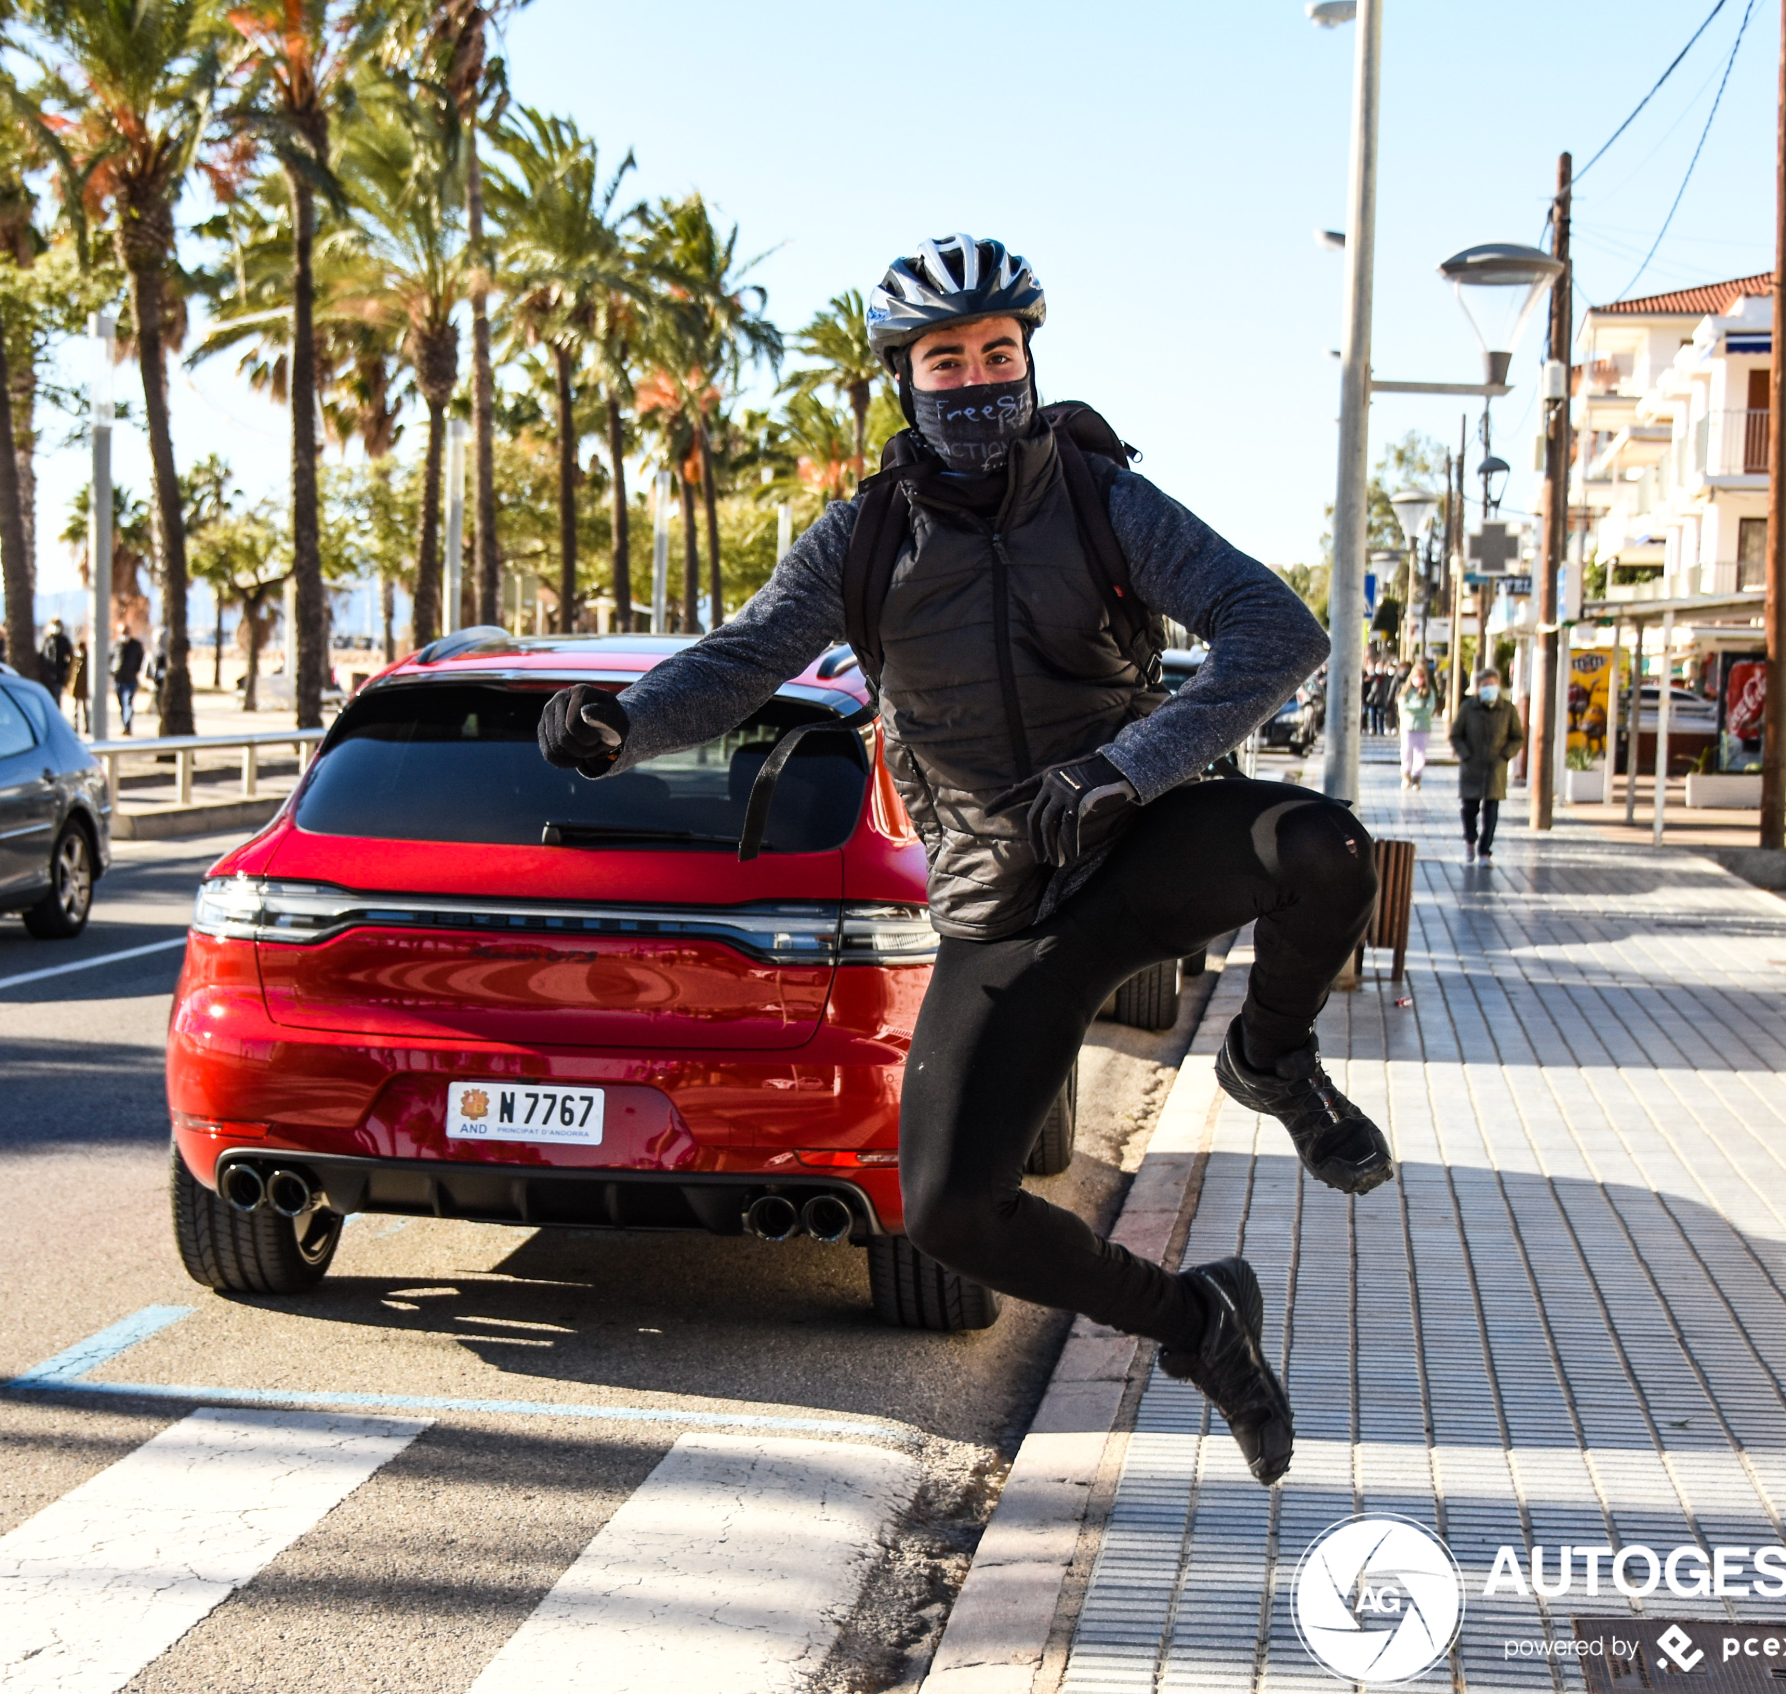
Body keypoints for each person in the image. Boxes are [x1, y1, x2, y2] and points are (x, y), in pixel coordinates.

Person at [538, 235, 1392, 1487]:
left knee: (1322, 846)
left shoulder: (1103, 498)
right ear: (905, 380)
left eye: (1001, 354)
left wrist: (1124, 769)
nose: (981, 378)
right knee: (945, 1211)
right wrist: (620, 726)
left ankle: (1268, 1058)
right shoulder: (862, 540)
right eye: (950, 359)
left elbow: (1276, 628)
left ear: (1031, 361)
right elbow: (737, 661)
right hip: (1005, 902)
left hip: (1133, 838)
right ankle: (1197, 1322)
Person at [1450, 667, 1522, 864]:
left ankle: (1485, 851)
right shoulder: (1468, 708)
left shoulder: (1507, 709)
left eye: (1492, 685)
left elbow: (1517, 737)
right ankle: (1470, 840)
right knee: (1469, 809)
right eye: (1485, 685)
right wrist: (1465, 754)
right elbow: (1456, 735)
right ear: (1478, 687)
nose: (1489, 688)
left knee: (1492, 811)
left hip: (1495, 768)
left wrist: (1505, 755)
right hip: (1472, 767)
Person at [1397, 659, 1438, 789]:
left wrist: (1413, 709)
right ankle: (1406, 776)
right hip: (1407, 727)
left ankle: (1416, 778)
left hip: (1423, 727)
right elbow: (1403, 707)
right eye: (1416, 677)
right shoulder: (1406, 690)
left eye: (1420, 677)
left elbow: (1429, 709)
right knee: (1405, 753)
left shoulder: (1428, 692)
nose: (1418, 680)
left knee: (1420, 754)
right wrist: (1419, 706)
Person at [112, 623, 144, 734]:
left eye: (126, 632)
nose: (124, 635)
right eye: (122, 632)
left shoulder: (136, 645)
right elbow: (110, 659)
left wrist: (135, 670)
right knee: (122, 704)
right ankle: (124, 724)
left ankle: (127, 726)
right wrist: (112, 671)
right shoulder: (116, 645)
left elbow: (140, 659)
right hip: (118, 679)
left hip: (130, 680)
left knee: (128, 702)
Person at [38, 617, 74, 705]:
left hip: (59, 675)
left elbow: (70, 657)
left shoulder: (64, 641)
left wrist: (66, 668)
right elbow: (42, 655)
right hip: (47, 675)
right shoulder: (47, 640)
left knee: (57, 698)